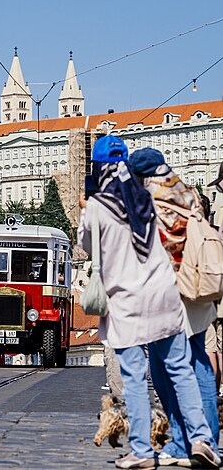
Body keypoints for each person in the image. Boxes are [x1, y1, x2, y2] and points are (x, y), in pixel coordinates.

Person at [78, 135, 219, 469]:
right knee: (182, 369)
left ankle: (142, 451)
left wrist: (89, 205)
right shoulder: (152, 196)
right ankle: (202, 439)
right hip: (165, 296)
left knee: (135, 378)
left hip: (126, 301)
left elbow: (88, 245)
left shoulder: (99, 205)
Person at [129, 147, 220, 464]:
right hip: (197, 290)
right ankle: (206, 441)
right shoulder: (189, 194)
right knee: (199, 365)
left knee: (166, 369)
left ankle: (184, 443)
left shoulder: (149, 200)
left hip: (168, 294)